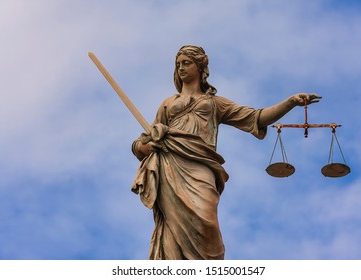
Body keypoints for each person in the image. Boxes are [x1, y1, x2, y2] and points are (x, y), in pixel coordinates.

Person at [131, 45, 321, 260]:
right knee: (170, 226)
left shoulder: (215, 103)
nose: (181, 68)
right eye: (178, 64)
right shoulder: (168, 103)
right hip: (169, 166)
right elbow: (141, 143)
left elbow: (257, 118)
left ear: (201, 67)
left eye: (186, 63)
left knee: (206, 221)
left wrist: (290, 103)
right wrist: (147, 147)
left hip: (201, 167)